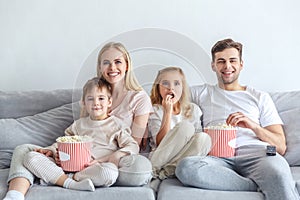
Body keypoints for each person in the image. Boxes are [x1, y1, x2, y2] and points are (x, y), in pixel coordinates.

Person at [4, 42, 153, 200]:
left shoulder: (138, 99)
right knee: (24, 151)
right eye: (106, 62)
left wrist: (109, 158)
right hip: (77, 159)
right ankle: (15, 195)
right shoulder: (90, 94)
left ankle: (61, 177)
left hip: (112, 162)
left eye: (118, 62)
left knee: (115, 170)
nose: (112, 67)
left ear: (127, 65)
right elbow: (77, 137)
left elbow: (134, 144)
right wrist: (53, 150)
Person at [175, 38, 300, 200]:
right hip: (217, 157)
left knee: (279, 173)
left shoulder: (259, 97)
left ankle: (265, 180)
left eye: (232, 60)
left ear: (241, 64)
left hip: (256, 154)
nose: (227, 66)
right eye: (221, 61)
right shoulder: (202, 93)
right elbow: (170, 91)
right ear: (213, 66)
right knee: (186, 168)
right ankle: (252, 184)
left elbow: (280, 146)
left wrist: (253, 126)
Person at [22, 77, 140, 192]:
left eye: (101, 98)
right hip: (68, 166)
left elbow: (133, 146)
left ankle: (68, 179)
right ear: (83, 103)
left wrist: (113, 156)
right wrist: (52, 151)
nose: (96, 103)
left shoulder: (116, 125)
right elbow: (63, 143)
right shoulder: (78, 125)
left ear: (109, 102)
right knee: (30, 157)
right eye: (90, 99)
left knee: (110, 172)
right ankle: (70, 182)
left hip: (96, 168)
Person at [148, 66, 211, 181]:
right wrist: (167, 112)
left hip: (180, 160)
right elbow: (161, 143)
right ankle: (155, 170)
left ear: (182, 88)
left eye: (176, 83)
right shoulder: (155, 110)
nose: (171, 88)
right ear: (158, 88)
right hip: (159, 159)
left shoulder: (193, 109)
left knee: (204, 138)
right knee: (185, 127)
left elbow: (196, 144)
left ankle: (167, 172)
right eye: (165, 83)